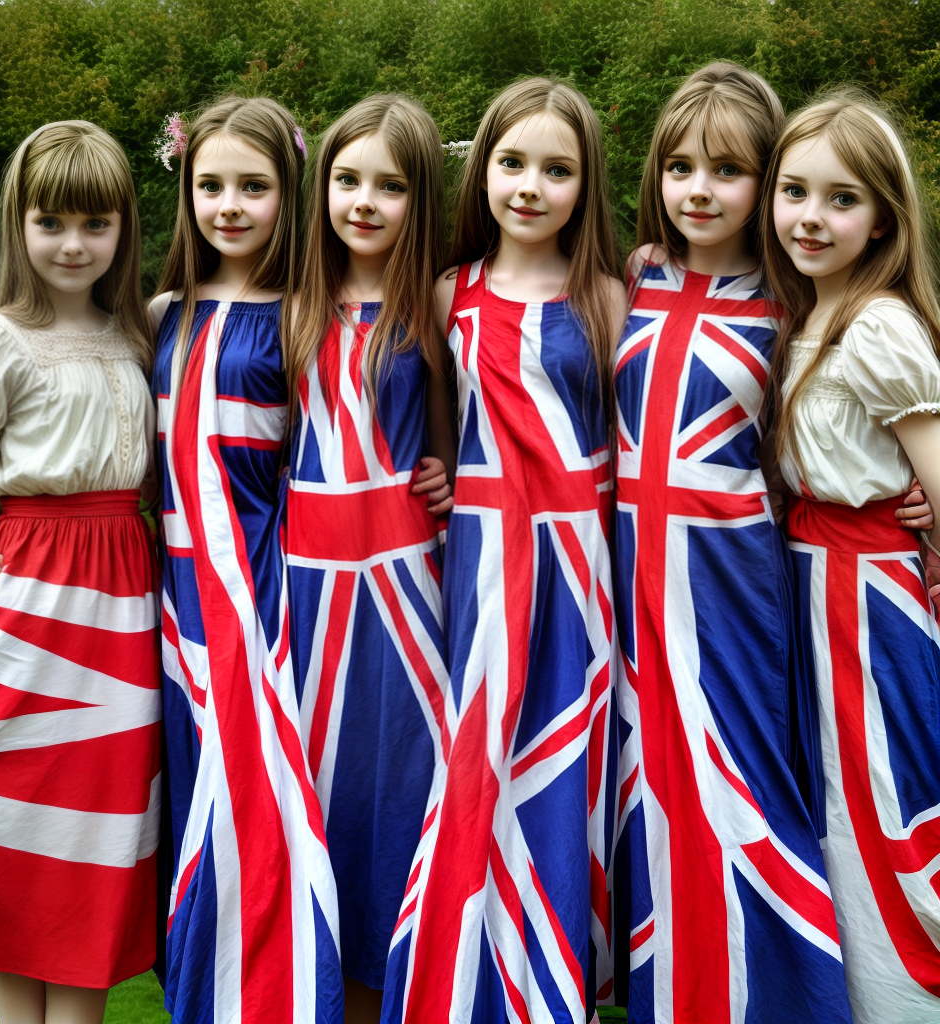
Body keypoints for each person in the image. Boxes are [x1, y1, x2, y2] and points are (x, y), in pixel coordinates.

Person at [611, 63, 856, 1023]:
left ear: (766, 180)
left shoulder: (794, 302)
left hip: (735, 589)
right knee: (652, 797)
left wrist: (909, 498)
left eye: (727, 170)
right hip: (631, 583)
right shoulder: (636, 279)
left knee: (746, 792)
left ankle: (788, 1000)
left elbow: (848, 429)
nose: (699, 190)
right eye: (680, 167)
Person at [381, 77, 624, 1024]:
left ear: (585, 183)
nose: (530, 186)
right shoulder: (448, 291)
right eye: (513, 163)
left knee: (568, 776)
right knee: (478, 770)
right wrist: (442, 473)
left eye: (557, 169)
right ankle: (467, 988)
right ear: (482, 169)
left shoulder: (612, 293)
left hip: (581, 576)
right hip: (479, 574)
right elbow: (438, 435)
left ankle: (560, 985)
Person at [0, 120, 160, 1024]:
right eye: (50, 221)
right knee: (8, 862)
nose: (72, 243)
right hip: (21, 621)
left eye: (95, 224)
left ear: (123, 230)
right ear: (18, 223)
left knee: (90, 867)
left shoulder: (140, 333)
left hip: (121, 626)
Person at [148, 96, 343, 1023]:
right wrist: (9, 530)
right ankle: (197, 988)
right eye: (211, 184)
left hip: (262, 593)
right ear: (185, 191)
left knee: (257, 802)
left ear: (288, 194)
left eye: (253, 187)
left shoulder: (307, 317)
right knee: (192, 798)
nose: (229, 205)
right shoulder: (156, 316)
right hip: (172, 601)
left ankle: (273, 994)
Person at [763, 93, 940, 1024]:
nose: (811, 217)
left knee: (879, 808)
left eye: (841, 200)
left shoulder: (878, 325)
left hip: (870, 607)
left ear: (882, 221)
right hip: (807, 591)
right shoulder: (799, 316)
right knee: (825, 805)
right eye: (795, 191)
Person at [283, 93, 453, 1023]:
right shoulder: (291, 301)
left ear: (419, 198)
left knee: (399, 812)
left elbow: (459, 442)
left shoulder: (435, 302)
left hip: (402, 600)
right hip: (301, 599)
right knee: (318, 822)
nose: (365, 201)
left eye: (390, 186)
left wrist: (452, 485)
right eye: (348, 179)